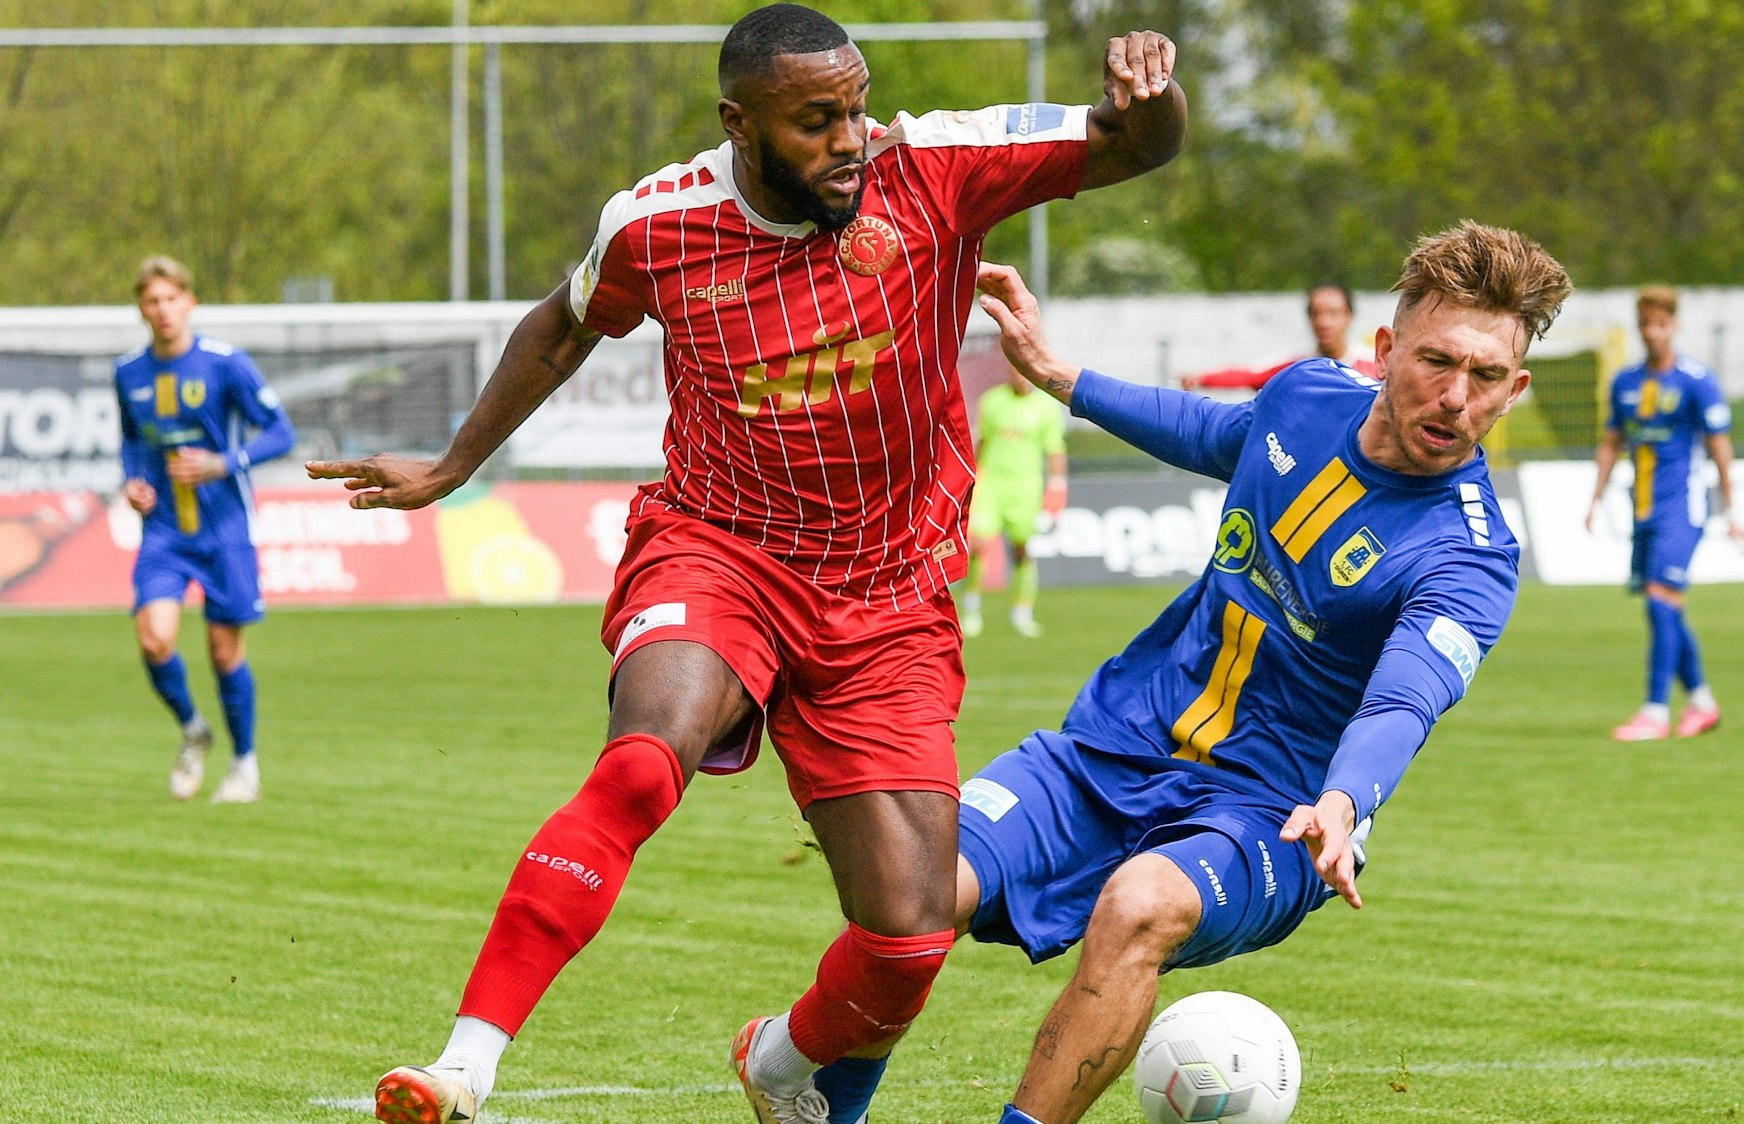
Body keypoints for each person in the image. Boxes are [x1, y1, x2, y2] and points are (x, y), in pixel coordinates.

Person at [305, 6, 1186, 1123]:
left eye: (856, 108)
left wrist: (1152, 98)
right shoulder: (657, 224)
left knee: (909, 938)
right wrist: (453, 464)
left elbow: (1132, 144)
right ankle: (460, 1066)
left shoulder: (937, 167)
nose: (850, 138)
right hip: (719, 550)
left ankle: (777, 1060)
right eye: (816, 121)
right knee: (641, 764)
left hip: (887, 594)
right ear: (739, 123)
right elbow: (561, 326)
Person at [824, 223, 1573, 1124]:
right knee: (910, 899)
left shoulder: (1469, 555)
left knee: (1139, 904)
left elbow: (1405, 696)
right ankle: (813, 1094)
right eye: (1437, 361)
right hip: (1116, 746)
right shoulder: (1305, 396)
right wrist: (1058, 374)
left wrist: (1343, 801)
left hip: (1272, 815)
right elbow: (1213, 431)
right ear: (1384, 351)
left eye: (1486, 376)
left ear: (1514, 389)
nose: (1455, 396)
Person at [114, 255, 295, 804]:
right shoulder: (128, 372)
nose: (163, 310)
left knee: (224, 653)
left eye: (171, 298)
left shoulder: (226, 363)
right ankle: (193, 729)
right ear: (141, 309)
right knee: (154, 640)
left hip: (224, 529)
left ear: (190, 302)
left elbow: (281, 432)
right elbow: (132, 440)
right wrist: (133, 482)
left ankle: (244, 766)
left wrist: (223, 463)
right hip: (165, 532)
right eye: (152, 301)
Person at [1585, 285, 1744, 741]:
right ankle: (1702, 703)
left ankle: (1655, 713)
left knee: (1660, 600)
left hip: (1683, 508)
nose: (1652, 333)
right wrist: (1595, 498)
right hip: (1643, 510)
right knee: (1664, 607)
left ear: (1673, 326)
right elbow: (1612, 443)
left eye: (1660, 324)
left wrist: (1732, 509)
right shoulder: (1625, 383)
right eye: (1645, 324)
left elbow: (1720, 447)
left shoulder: (1697, 381)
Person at [960, 369, 1068, 638]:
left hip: (1025, 489)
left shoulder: (1046, 407)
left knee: (1021, 549)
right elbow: (982, 441)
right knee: (978, 544)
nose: (1020, 377)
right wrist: (969, 476)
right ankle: (971, 609)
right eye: (1015, 372)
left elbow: (1055, 450)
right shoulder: (992, 401)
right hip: (991, 485)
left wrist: (1057, 485)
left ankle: (1022, 612)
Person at [1181, 280, 1377, 392]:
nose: (1323, 322)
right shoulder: (1296, 366)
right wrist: (1201, 379)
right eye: (1316, 314)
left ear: (1349, 316)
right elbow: (1251, 375)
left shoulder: (1375, 365)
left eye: (1333, 314)